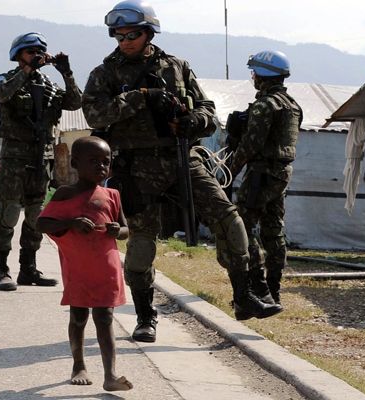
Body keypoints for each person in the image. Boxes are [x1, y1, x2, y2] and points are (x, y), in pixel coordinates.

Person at [82, 0, 282, 343]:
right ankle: (145, 316)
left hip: (181, 159)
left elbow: (208, 112)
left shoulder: (176, 67)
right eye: (118, 35)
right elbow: (95, 115)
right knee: (142, 246)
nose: (125, 40)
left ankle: (244, 296)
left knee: (229, 219)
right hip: (135, 166)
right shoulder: (105, 74)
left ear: (148, 33)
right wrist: (140, 97)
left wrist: (192, 120)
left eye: (133, 34)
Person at [37, 136, 133, 392]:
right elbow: (43, 223)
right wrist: (71, 223)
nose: (102, 167)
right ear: (75, 163)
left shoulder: (112, 194)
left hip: (106, 267)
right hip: (78, 268)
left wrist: (118, 230)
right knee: (78, 317)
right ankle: (78, 364)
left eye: (106, 162)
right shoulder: (65, 193)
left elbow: (125, 229)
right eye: (94, 161)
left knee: (105, 317)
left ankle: (110, 375)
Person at [0, 32, 83, 291]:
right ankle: (1, 270)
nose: (36, 55)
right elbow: (3, 94)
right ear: (18, 55)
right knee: (9, 214)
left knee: (35, 215)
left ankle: (28, 269)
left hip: (39, 159)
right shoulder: (7, 79)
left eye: (40, 52)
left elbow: (75, 103)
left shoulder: (49, 85)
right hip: (14, 159)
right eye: (30, 52)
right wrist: (28, 70)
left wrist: (67, 73)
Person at [230, 50, 303, 305]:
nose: (253, 78)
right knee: (274, 229)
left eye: (254, 73)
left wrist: (229, 171)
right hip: (282, 173)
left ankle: (258, 287)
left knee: (243, 226)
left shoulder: (265, 105)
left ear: (262, 75)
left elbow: (250, 145)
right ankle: (274, 289)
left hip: (261, 173)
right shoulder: (293, 106)